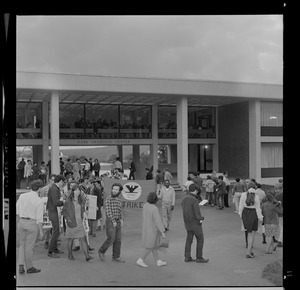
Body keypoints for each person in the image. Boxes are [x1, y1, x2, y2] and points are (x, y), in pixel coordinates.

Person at [17, 179, 44, 274]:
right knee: (29, 247)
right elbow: (39, 219)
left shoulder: (22, 196)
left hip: (21, 222)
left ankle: (20, 265)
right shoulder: (39, 201)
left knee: (22, 244)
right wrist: (41, 231)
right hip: (32, 224)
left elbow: (17, 210)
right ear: (39, 189)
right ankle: (29, 267)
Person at [61, 184, 93, 261]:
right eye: (76, 190)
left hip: (79, 222)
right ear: (73, 191)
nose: (78, 192)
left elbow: (83, 209)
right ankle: (70, 254)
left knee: (83, 238)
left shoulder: (81, 199)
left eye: (79, 190)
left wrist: (85, 212)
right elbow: (64, 211)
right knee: (71, 239)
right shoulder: (69, 201)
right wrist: (68, 219)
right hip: (71, 222)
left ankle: (87, 256)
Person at [136, 192, 167, 268]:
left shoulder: (145, 206)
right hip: (153, 229)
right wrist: (162, 231)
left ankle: (158, 261)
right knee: (150, 246)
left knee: (153, 246)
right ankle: (141, 259)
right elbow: (157, 221)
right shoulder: (154, 208)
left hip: (146, 227)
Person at [181, 183, 209, 263]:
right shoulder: (194, 200)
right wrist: (201, 218)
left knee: (189, 240)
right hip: (195, 223)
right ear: (196, 190)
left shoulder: (184, 199)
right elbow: (197, 214)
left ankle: (187, 256)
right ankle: (199, 257)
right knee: (200, 239)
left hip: (187, 223)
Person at [98, 183, 125, 262]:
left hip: (118, 222)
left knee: (118, 240)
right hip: (110, 222)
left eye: (116, 189)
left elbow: (120, 211)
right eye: (113, 189)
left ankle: (116, 256)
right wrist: (113, 221)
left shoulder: (119, 200)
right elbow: (108, 212)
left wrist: (122, 219)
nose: (114, 191)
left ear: (119, 191)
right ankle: (101, 251)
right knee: (111, 239)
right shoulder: (108, 199)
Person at [239, 188, 263, 258]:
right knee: (252, 234)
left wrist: (240, 215)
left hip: (245, 213)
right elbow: (258, 208)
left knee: (249, 233)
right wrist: (260, 218)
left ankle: (251, 250)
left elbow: (240, 206)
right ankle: (248, 252)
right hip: (253, 213)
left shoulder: (243, 195)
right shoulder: (256, 196)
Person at [46, 174, 66, 258]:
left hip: (53, 211)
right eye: (63, 182)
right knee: (56, 231)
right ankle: (50, 251)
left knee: (56, 231)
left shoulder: (55, 188)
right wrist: (64, 202)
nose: (63, 184)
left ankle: (54, 248)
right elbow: (56, 202)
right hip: (53, 211)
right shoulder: (54, 189)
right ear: (60, 181)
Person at [39, 174, 56, 249]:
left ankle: (54, 241)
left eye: (55, 180)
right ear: (49, 180)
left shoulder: (57, 188)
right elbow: (41, 199)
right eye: (52, 180)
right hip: (47, 210)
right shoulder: (44, 189)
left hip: (55, 209)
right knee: (48, 228)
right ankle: (47, 241)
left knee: (55, 227)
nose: (53, 181)